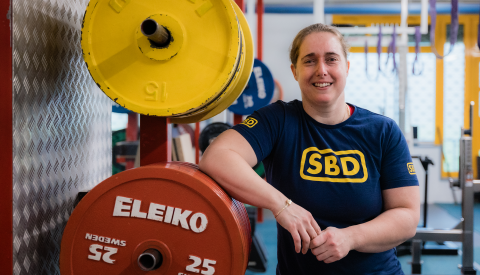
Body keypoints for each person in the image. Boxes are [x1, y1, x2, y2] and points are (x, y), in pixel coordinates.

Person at [199, 23, 420, 275]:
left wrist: (351, 238)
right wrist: (281, 205)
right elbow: (216, 156)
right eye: (309, 61)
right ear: (295, 71)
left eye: (331, 59)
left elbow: (406, 217)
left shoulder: (383, 131)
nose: (321, 70)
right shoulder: (278, 121)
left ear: (346, 67)